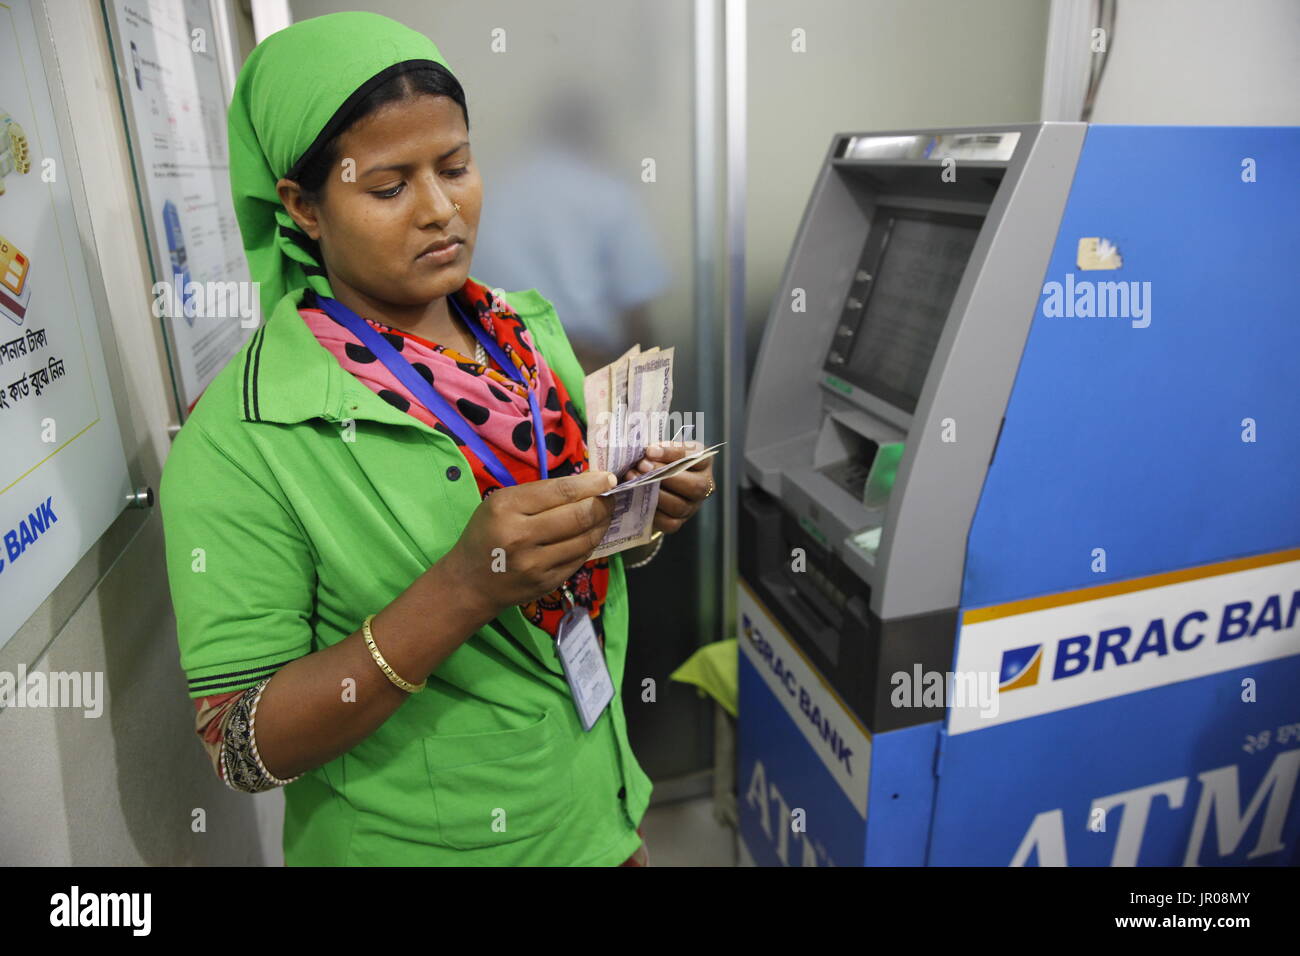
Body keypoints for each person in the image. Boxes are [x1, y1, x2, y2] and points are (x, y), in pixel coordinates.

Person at [159, 11, 714, 867]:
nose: (441, 209)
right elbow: (241, 743)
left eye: (456, 166)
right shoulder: (242, 435)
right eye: (389, 187)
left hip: (597, 808)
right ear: (303, 208)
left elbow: (571, 568)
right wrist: (461, 586)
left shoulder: (522, 334)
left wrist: (633, 515)